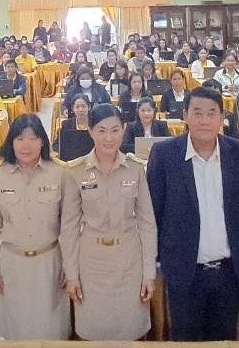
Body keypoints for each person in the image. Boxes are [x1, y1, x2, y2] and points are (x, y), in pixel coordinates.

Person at [146, 87, 239, 341]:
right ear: (185, 115)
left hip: (229, 273)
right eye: (197, 112)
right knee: (185, 339)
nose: (204, 120)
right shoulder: (164, 155)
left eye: (211, 113)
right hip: (184, 274)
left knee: (224, 339)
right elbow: (154, 212)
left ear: (222, 118)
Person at [60, 104, 156, 340]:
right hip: (91, 263)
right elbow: (69, 228)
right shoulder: (76, 171)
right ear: (90, 131)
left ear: (124, 130)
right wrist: (71, 274)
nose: (109, 138)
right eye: (101, 131)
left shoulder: (135, 169)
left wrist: (149, 273)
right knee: (93, 332)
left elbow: (147, 224)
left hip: (129, 262)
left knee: (131, 330)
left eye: (115, 130)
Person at [0, 115, 70, 340]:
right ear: (11, 142)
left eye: (33, 138)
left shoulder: (60, 173)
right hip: (12, 265)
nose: (26, 145)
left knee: (51, 332)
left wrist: (70, 266)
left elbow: (69, 226)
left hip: (50, 263)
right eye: (20, 139)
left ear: (43, 141)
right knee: (16, 333)